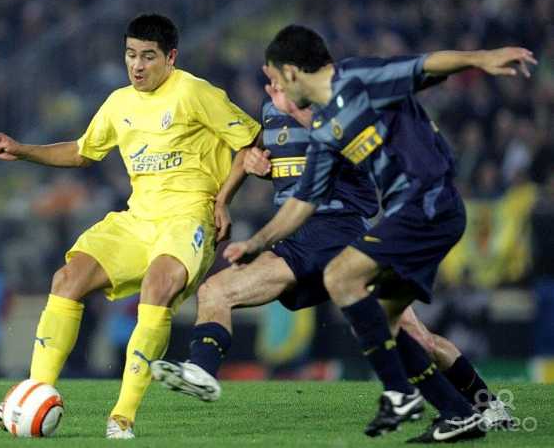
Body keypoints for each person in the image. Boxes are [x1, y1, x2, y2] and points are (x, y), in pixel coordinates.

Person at [224, 25, 536, 442]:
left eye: (275, 79)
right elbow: (304, 201)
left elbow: (425, 66)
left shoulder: (357, 79)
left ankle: (400, 395)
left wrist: (481, 58)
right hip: (408, 216)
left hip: (427, 203)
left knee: (342, 278)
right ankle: (469, 409)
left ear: (292, 73)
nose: (272, 89)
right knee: (397, 327)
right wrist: (257, 243)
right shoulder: (326, 127)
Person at [0, 14, 261, 439]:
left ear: (171, 57)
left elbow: (251, 143)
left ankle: (122, 418)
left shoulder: (195, 92)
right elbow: (82, 152)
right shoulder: (119, 102)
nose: (137, 66)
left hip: (187, 217)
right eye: (130, 55)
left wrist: (223, 200)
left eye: (148, 56)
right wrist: (22, 150)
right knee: (67, 278)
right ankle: (28, 398)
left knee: (158, 284)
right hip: (137, 219)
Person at [151, 98, 510, 429]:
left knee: (416, 338)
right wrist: (245, 174)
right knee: (215, 291)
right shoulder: (271, 110)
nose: (272, 88)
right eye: (269, 80)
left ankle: (485, 406)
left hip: (342, 232)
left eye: (278, 78)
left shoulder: (336, 107)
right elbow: (252, 150)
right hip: (297, 239)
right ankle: (200, 370)